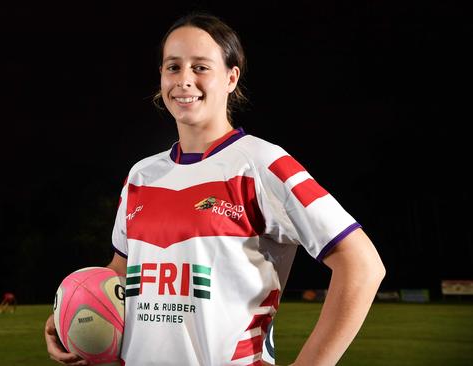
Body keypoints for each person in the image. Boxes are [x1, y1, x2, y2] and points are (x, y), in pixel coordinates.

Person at [44, 11, 385, 366]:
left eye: (201, 67)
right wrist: (70, 314)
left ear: (231, 78)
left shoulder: (262, 164)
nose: (184, 80)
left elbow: (362, 265)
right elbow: (121, 271)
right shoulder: (141, 176)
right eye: (173, 67)